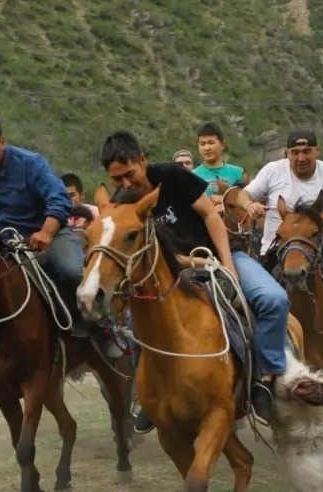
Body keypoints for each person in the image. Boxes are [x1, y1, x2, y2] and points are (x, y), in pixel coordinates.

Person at [100, 130, 290, 429]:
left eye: (129, 174)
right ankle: (148, 394)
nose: (125, 184)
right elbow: (146, 254)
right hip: (171, 273)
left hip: (223, 254)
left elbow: (210, 216)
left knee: (274, 300)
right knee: (136, 322)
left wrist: (228, 263)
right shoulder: (122, 204)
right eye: (117, 180)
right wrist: (193, 262)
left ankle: (265, 380)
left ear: (142, 161)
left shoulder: (172, 176)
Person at [0, 111, 122, 391]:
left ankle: (103, 329)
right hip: (4, 247)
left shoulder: (30, 163)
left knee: (71, 270)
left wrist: (46, 231)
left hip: (47, 234)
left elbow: (58, 198)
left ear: (1, 140)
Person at [235, 129, 323, 372]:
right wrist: (249, 205)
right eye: (295, 152)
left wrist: (306, 226)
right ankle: (246, 343)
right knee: (250, 294)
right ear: (287, 153)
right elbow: (243, 194)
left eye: (307, 151)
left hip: (318, 248)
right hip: (275, 249)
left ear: (317, 151)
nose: (301, 157)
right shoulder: (272, 171)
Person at [191, 122, 248, 198]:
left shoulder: (239, 174)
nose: (207, 148)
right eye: (202, 144)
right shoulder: (192, 176)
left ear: (222, 145)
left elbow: (245, 201)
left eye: (211, 143)